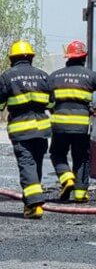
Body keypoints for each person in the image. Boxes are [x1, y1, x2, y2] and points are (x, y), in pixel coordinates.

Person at [48, 40, 96, 203]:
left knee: (57, 153)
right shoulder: (90, 76)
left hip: (60, 126)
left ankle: (66, 178)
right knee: (81, 158)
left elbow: (46, 99)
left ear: (67, 57)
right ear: (84, 57)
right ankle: (80, 194)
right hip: (81, 127)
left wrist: (53, 109)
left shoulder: (55, 76)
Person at [0, 41, 52, 218]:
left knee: (26, 164)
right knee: (35, 164)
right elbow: (52, 102)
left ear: (12, 59)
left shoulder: (7, 77)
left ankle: (35, 204)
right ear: (31, 57)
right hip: (42, 129)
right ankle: (30, 203)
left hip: (21, 129)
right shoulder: (43, 76)